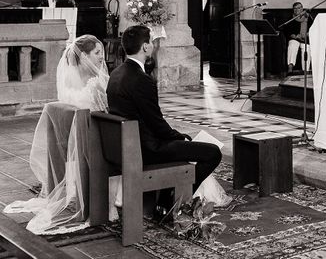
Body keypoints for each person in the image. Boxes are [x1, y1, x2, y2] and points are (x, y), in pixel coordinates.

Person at [107, 25, 222, 217]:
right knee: (213, 153)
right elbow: (157, 123)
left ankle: (167, 199)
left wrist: (177, 137)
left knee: (185, 141)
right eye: (151, 41)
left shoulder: (116, 74)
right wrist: (180, 137)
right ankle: (171, 202)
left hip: (125, 145)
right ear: (145, 47)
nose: (152, 45)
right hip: (147, 149)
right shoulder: (142, 80)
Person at [3, 35, 113, 234]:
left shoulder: (69, 81)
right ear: (85, 56)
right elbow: (108, 113)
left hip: (73, 141)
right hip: (94, 141)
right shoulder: (96, 84)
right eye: (97, 53)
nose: (101, 58)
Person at [284, 2, 313, 75]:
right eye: (295, 8)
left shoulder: (308, 17)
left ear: (302, 8)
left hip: (305, 39)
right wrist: (294, 36)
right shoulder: (291, 18)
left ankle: (305, 70)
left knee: (306, 48)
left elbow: (313, 28)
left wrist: (308, 33)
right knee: (292, 46)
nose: (297, 10)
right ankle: (290, 68)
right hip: (295, 38)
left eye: (299, 8)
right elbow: (287, 30)